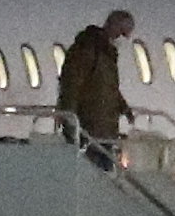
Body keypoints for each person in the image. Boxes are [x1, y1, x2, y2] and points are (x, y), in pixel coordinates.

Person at [57, 10, 136, 168]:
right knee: (93, 170)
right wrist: (70, 118)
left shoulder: (106, 53)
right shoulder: (88, 50)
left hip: (104, 128)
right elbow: (71, 84)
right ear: (112, 26)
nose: (122, 38)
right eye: (122, 32)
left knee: (103, 168)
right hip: (90, 125)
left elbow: (106, 86)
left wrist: (123, 107)